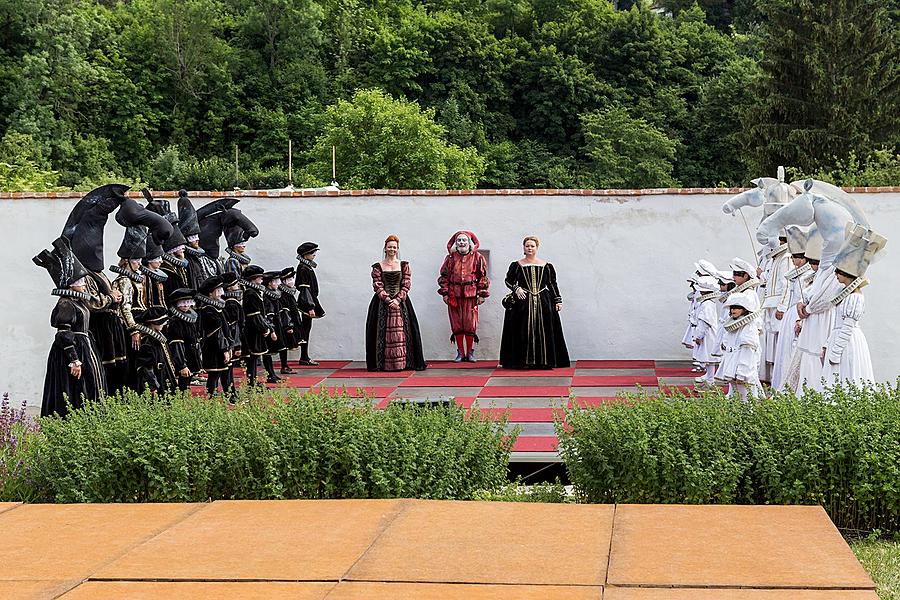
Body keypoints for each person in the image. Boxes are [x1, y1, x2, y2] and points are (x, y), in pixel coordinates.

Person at [34, 237, 106, 417]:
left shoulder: (79, 302)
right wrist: (74, 359)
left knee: (90, 385)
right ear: (72, 284)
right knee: (74, 388)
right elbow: (63, 333)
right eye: (81, 282)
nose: (83, 285)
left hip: (85, 346)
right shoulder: (66, 304)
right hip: (73, 351)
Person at [821, 225, 885, 387]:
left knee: (847, 378)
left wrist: (835, 352)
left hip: (847, 343)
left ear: (846, 273)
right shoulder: (843, 293)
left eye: (838, 271)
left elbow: (847, 328)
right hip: (837, 339)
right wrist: (827, 345)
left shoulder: (855, 298)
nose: (835, 275)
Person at [499, 235, 570, 370]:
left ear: (537, 248)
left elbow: (552, 284)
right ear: (523, 248)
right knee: (523, 330)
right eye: (527, 246)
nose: (529, 248)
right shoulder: (517, 265)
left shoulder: (547, 266)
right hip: (523, 302)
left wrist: (557, 300)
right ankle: (524, 361)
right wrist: (516, 288)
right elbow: (508, 280)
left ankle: (544, 361)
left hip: (544, 302)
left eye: (532, 246)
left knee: (544, 330)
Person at [365, 235, 427, 372]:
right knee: (381, 333)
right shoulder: (378, 266)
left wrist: (398, 299)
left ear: (397, 249)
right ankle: (382, 364)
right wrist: (387, 300)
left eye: (394, 247)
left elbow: (406, 284)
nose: (392, 249)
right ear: (385, 248)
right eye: (389, 247)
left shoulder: (404, 265)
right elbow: (377, 285)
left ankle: (405, 363)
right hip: (382, 303)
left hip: (401, 302)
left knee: (404, 332)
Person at [437, 231, 490, 362]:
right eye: (459, 240)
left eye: (464, 240)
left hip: (471, 294)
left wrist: (482, 294)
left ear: (469, 243)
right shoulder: (450, 258)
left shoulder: (478, 257)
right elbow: (444, 277)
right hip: (453, 294)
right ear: (455, 243)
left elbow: (483, 277)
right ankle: (460, 352)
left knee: (470, 323)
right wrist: (445, 293)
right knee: (456, 323)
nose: (461, 243)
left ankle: (470, 352)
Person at [771, 226, 812, 390]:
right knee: (784, 350)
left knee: (794, 350)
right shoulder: (793, 274)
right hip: (790, 313)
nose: (795, 261)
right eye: (794, 257)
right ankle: (781, 383)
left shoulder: (808, 275)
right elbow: (787, 292)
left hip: (798, 315)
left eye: (798, 257)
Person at [715, 291, 762, 402]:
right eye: (732, 307)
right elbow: (727, 343)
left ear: (745, 309)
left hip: (743, 367)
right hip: (732, 364)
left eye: (737, 307)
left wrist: (742, 373)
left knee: (746, 394)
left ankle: (749, 414)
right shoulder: (732, 324)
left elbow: (748, 352)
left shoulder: (749, 327)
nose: (733, 310)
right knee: (734, 393)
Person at [196, 275, 233, 395]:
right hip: (214, 348)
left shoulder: (217, 307)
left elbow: (226, 329)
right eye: (217, 290)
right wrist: (224, 349)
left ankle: (229, 394)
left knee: (225, 372)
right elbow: (216, 333)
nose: (220, 292)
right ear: (210, 293)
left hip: (222, 346)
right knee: (214, 374)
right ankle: (212, 396)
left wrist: (229, 346)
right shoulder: (208, 310)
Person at [133, 306, 177, 395]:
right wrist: (152, 386)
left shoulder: (159, 338)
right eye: (162, 322)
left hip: (164, 376)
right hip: (157, 379)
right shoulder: (147, 341)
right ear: (153, 323)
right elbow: (146, 367)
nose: (164, 324)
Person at [241, 265, 272, 387]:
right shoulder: (251, 293)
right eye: (259, 278)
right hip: (252, 329)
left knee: (254, 357)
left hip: (255, 328)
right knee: (252, 357)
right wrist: (264, 327)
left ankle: (253, 380)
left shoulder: (254, 292)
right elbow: (255, 315)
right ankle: (251, 382)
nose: (261, 280)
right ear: (253, 279)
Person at [295, 242, 326, 366]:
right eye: (312, 253)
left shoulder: (307, 267)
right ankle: (304, 356)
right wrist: (310, 306)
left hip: (310, 300)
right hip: (307, 302)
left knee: (306, 329)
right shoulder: (303, 268)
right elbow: (304, 289)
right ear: (305, 254)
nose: (314, 255)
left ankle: (304, 355)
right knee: (305, 330)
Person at [166, 288, 202, 392]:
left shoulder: (191, 319)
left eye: (188, 303)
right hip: (183, 358)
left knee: (186, 385)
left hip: (191, 356)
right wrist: (182, 365)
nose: (186, 306)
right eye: (182, 303)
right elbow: (177, 345)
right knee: (182, 386)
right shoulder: (175, 322)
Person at [692, 276, 721, 387]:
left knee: (709, 358)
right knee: (709, 359)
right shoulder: (709, 303)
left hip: (707, 335)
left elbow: (704, 322)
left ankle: (710, 380)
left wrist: (699, 336)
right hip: (708, 334)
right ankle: (709, 379)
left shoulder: (707, 304)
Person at [262, 271, 286, 383]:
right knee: (267, 353)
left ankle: (272, 374)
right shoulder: (267, 297)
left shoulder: (275, 295)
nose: (278, 283)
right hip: (271, 327)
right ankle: (270, 374)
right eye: (276, 281)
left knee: (270, 352)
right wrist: (272, 330)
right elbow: (268, 316)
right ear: (269, 283)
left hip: (276, 325)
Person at [221, 271, 243, 392]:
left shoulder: (232, 301)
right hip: (232, 338)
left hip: (233, 337)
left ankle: (231, 389)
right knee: (227, 368)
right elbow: (234, 326)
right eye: (235, 284)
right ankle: (229, 390)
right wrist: (237, 344)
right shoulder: (231, 303)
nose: (238, 286)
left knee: (230, 367)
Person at [278, 266, 302, 373]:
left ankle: (285, 365)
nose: (292, 282)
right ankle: (284, 366)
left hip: (291, 323)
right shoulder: (283, 295)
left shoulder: (289, 293)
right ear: (283, 281)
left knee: (287, 346)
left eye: (292, 279)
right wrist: (289, 326)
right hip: (285, 325)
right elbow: (285, 311)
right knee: (284, 345)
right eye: (289, 279)